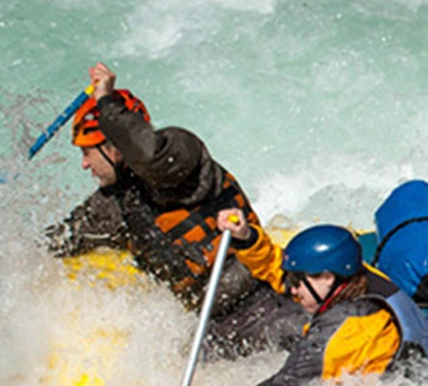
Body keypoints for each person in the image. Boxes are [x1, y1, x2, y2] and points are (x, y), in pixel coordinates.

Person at [45, 62, 305, 356]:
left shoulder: (183, 156)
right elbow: (57, 242)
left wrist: (106, 102)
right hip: (212, 326)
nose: (84, 164)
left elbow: (151, 157)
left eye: (87, 152)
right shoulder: (111, 206)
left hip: (267, 299)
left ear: (114, 147)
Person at [157, 215, 428, 386]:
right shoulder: (355, 274)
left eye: (298, 282)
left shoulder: (343, 333)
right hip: (401, 366)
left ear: (327, 278)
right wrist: (247, 239)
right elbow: (281, 274)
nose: (292, 289)